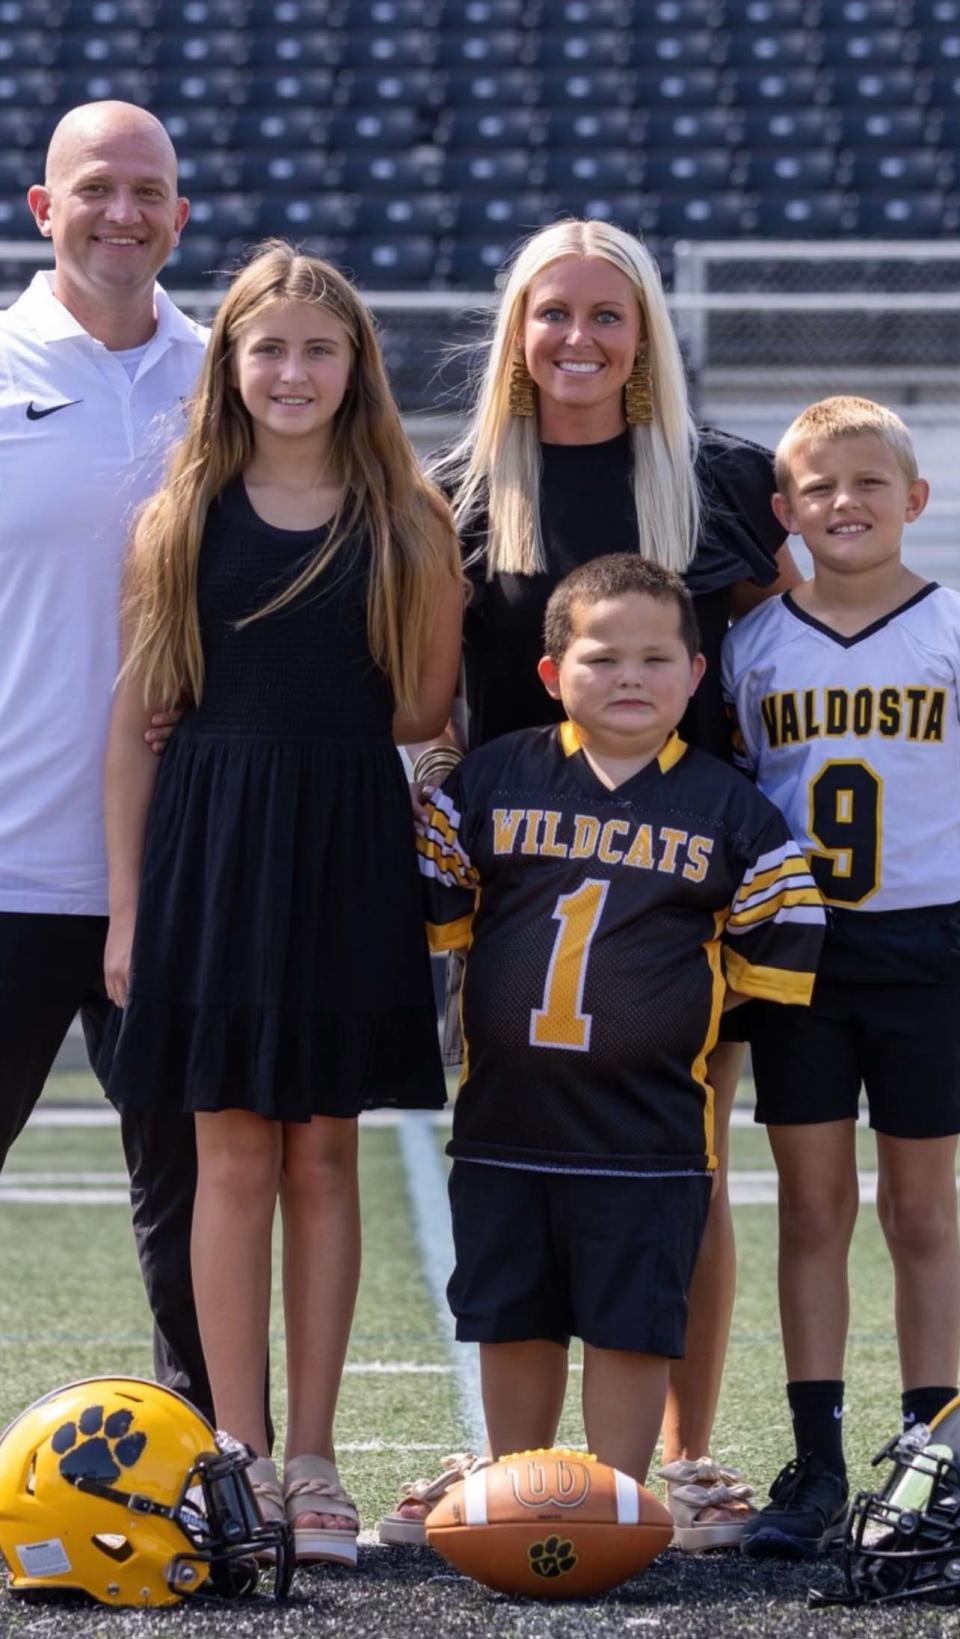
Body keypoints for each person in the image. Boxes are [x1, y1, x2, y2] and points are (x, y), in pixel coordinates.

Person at [382, 217, 801, 1548]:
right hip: (516, 880)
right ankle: (513, 1456)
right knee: (512, 1157)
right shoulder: (462, 486)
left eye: (606, 314)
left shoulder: (721, 476)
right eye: (550, 312)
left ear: (645, 335)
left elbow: (782, 656)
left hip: (680, 874)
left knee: (686, 1161)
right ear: (514, 329)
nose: (577, 339)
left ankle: (683, 1459)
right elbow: (428, 689)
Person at [99, 242, 463, 1566]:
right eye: (270, 348)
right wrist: (130, 910)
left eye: (320, 348)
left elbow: (422, 708)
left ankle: (316, 1456)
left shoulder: (408, 515)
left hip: (340, 844)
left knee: (323, 1153)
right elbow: (135, 726)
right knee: (230, 1152)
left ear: (355, 364)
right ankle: (238, 1453)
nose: (294, 370)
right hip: (208, 846)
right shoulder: (178, 516)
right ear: (231, 364)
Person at [415, 554, 824, 1485]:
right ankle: (516, 1490)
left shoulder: (735, 813)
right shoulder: (490, 781)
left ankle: (620, 1500)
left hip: (648, 1136)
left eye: (654, 658)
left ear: (695, 674)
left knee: (630, 1326)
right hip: (504, 1126)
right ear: (552, 675)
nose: (630, 676)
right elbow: (439, 908)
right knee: (510, 1316)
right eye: (602, 659)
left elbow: (774, 953)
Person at [0, 101, 213, 1413]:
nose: (123, 211)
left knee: (189, 1194)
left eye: (148, 191)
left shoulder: (233, 372)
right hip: (11, 858)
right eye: (97, 188)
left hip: (180, 865)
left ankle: (205, 1464)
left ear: (181, 217)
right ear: (43, 207)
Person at [723, 396, 960, 1559]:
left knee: (922, 1209)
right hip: (802, 951)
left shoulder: (953, 630)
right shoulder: (752, 642)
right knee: (812, 1206)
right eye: (819, 487)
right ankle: (816, 1463)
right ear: (785, 511)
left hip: (931, 946)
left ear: (916, 500)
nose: (845, 503)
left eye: (870, 483)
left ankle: (934, 1459)